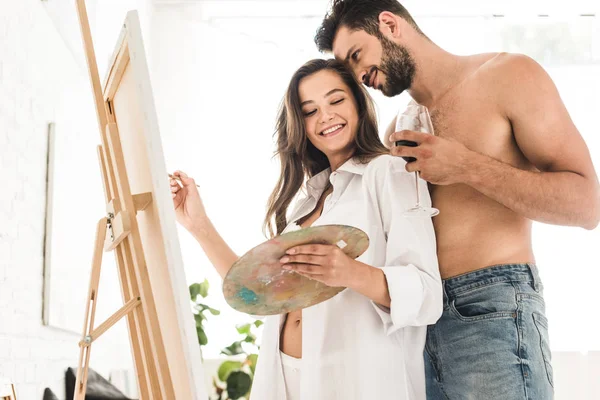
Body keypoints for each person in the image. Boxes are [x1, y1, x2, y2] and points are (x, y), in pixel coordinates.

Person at [314, 1, 600, 399]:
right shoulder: (400, 128)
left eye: (357, 55)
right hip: (416, 320)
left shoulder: (508, 75)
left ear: (389, 24)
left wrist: (465, 166)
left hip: (492, 306)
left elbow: (587, 205)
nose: (360, 76)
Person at [170, 58, 442, 399]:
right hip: (285, 375)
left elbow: (427, 296)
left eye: (336, 100)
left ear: (359, 103)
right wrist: (198, 224)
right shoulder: (308, 202)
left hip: (350, 379)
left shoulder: (388, 173)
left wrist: (348, 272)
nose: (325, 116)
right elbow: (259, 292)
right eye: (310, 111)